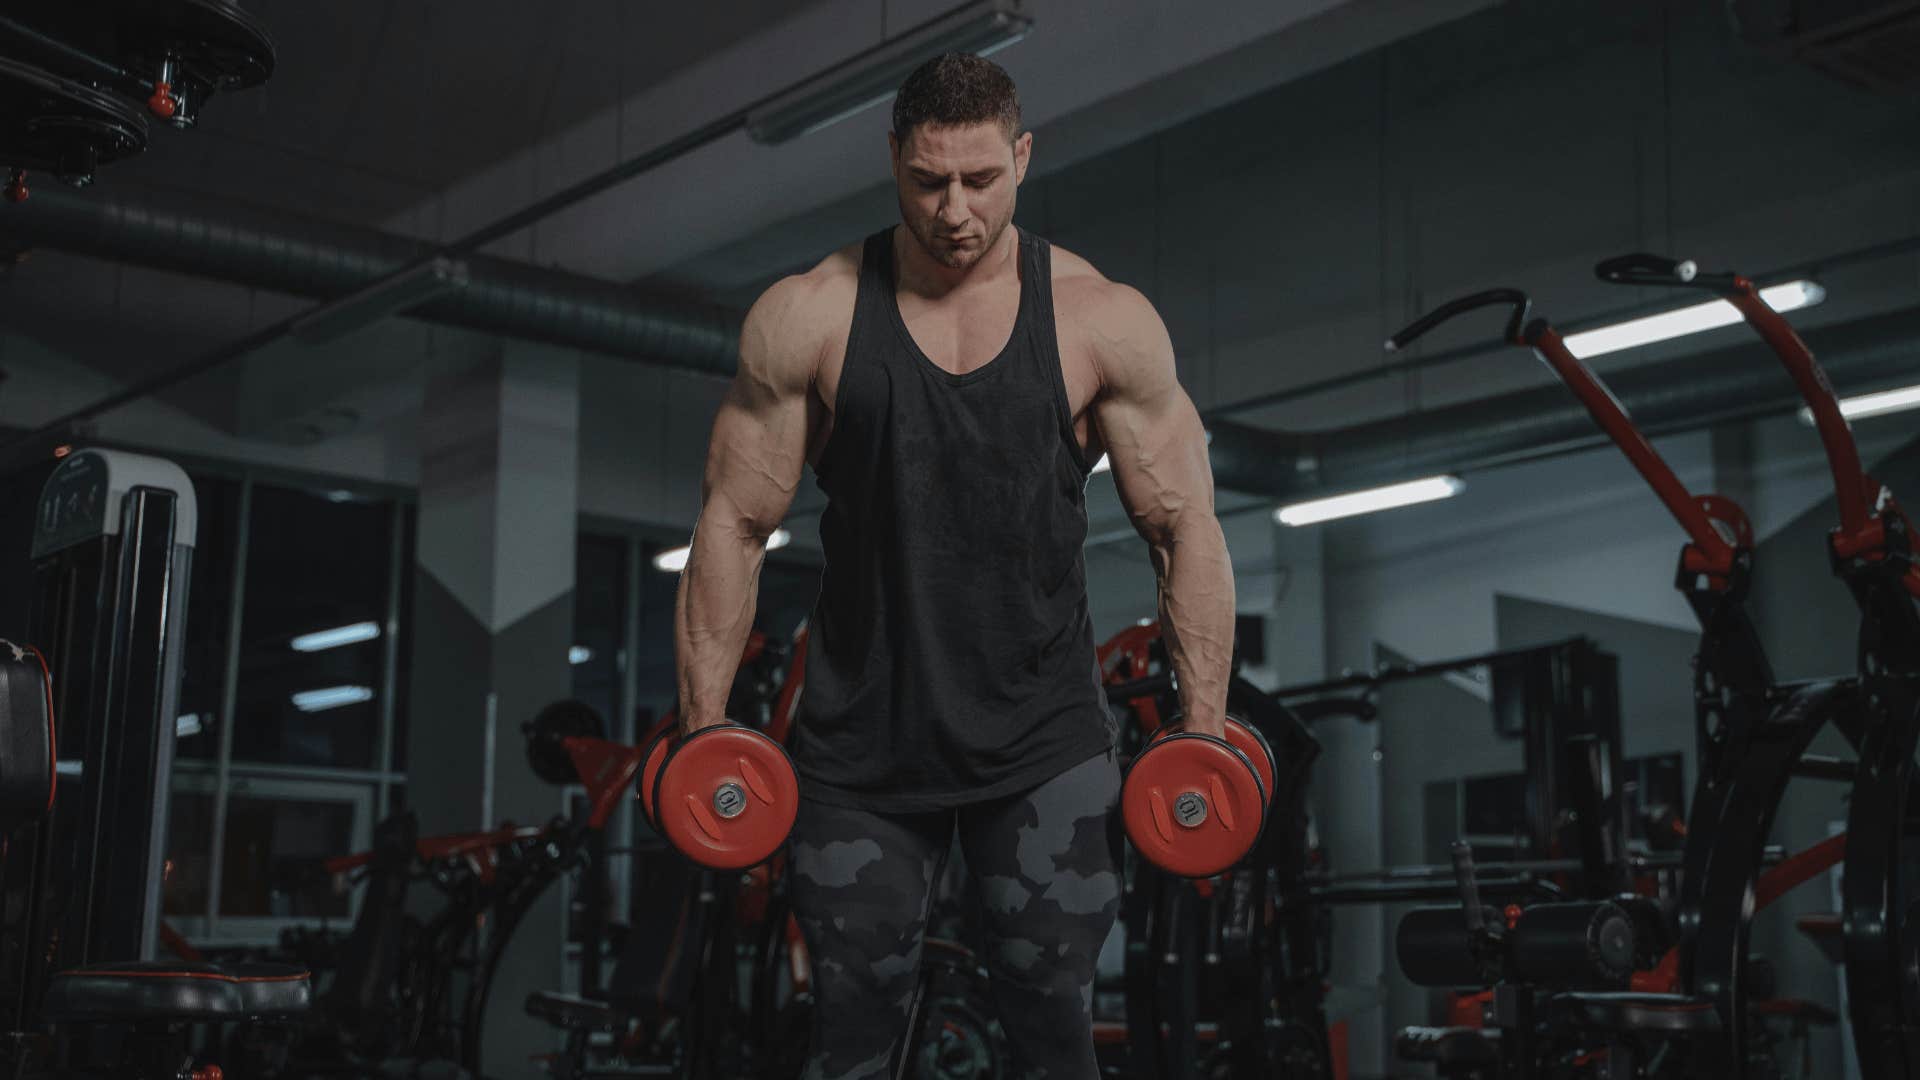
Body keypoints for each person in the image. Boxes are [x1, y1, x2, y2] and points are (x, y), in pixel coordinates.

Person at [673, 52, 1233, 1080]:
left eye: (981, 179)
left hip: (1042, 745)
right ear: (895, 160)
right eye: (929, 180)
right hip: (860, 753)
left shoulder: (1101, 318)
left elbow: (1185, 524)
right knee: (850, 1038)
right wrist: (708, 731)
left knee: (1053, 1035)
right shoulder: (810, 315)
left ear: (1022, 157)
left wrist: (1201, 734)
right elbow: (733, 523)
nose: (955, 209)